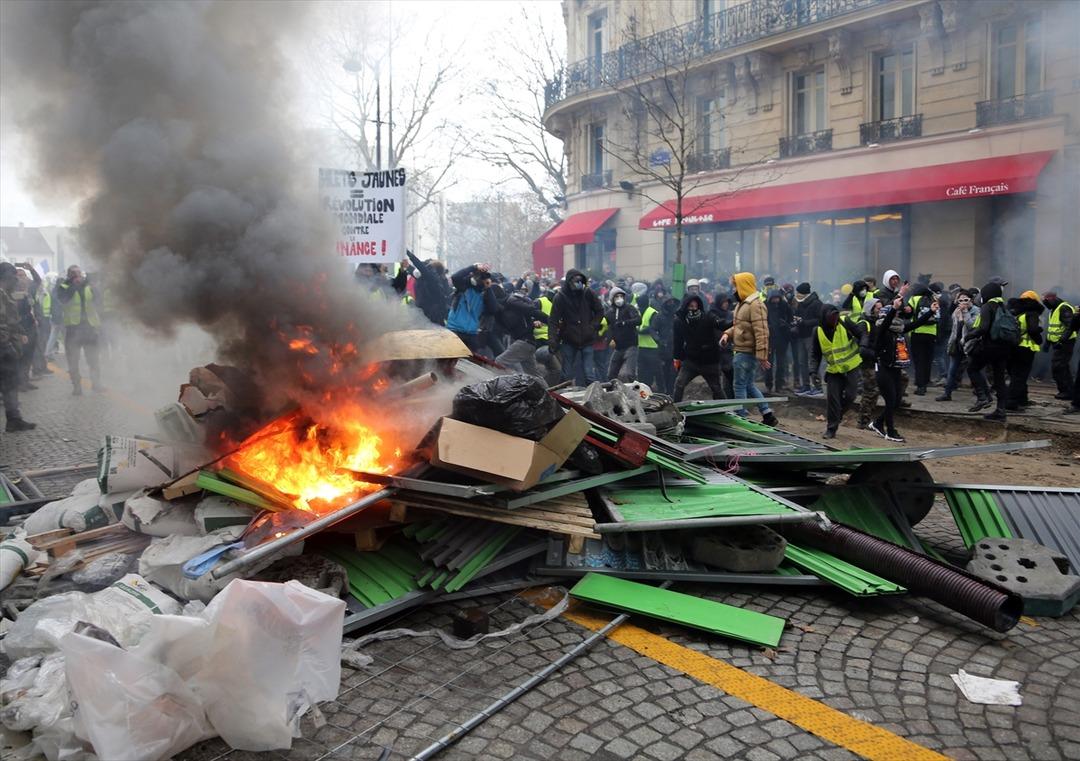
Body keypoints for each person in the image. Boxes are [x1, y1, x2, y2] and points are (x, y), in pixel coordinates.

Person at [721, 273, 778, 426]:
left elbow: (762, 331)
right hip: (743, 350)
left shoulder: (755, 304)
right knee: (748, 385)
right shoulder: (744, 303)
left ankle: (741, 416)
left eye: (736, 286)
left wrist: (762, 355)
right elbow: (740, 327)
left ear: (743, 285)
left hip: (746, 352)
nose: (734, 289)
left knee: (738, 385)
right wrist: (727, 334)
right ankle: (767, 413)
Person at [811, 304, 867, 438]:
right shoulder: (817, 331)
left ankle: (838, 415)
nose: (835, 320)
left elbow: (862, 333)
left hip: (851, 367)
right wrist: (813, 371)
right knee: (833, 399)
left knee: (850, 396)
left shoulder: (845, 322)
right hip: (833, 370)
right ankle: (831, 428)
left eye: (836, 316)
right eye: (831, 318)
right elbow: (815, 354)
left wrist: (864, 345)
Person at [966, 280, 1015, 421]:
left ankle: (983, 397)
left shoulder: (988, 306)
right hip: (1004, 348)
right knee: (999, 379)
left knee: (973, 368)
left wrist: (970, 336)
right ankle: (1001, 411)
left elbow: (983, 328)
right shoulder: (1004, 306)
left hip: (990, 347)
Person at [550, 269, 604, 385]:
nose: (578, 283)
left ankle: (594, 399)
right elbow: (553, 320)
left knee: (589, 374)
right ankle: (562, 398)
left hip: (587, 338)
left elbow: (600, 310)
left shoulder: (588, 293)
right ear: (569, 282)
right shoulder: (560, 297)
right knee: (567, 374)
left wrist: (592, 326)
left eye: (580, 281)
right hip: (569, 339)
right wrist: (552, 340)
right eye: (576, 281)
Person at [54, 265, 103, 395]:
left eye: (79, 274)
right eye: (74, 274)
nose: (78, 277)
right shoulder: (63, 287)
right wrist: (73, 285)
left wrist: (92, 286)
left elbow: (98, 300)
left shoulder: (88, 286)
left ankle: (96, 384)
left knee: (93, 358)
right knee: (73, 360)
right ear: (69, 276)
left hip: (89, 327)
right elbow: (64, 300)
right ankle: (77, 386)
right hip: (73, 329)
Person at [0, 262, 36, 431]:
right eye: (13, 276)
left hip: (6, 343)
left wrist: (19, 331)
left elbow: (11, 319)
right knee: (9, 382)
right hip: (3, 345)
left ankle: (14, 419)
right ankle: (13, 419)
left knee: (10, 383)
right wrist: (6, 343)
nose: (16, 279)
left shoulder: (6, 294)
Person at [865, 296, 906, 442]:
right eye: (895, 314)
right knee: (890, 400)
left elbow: (915, 324)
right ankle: (891, 431)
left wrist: (931, 313)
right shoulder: (880, 329)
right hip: (883, 369)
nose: (897, 316)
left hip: (895, 368)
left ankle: (877, 423)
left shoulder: (897, 330)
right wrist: (894, 308)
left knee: (897, 400)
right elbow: (886, 323)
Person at [672, 293, 727, 401]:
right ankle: (675, 410)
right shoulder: (679, 321)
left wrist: (736, 322)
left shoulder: (708, 316)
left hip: (710, 361)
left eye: (695, 307)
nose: (693, 309)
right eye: (690, 307)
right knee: (679, 384)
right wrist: (677, 358)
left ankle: (725, 411)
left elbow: (722, 324)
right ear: (685, 307)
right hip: (691, 361)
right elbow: (677, 342)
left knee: (716, 389)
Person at [936, 289, 982, 402]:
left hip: (970, 344)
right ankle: (947, 393)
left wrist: (965, 312)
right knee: (952, 371)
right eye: (960, 300)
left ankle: (982, 395)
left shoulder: (977, 311)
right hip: (957, 344)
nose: (963, 302)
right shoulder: (957, 310)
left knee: (975, 370)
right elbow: (954, 327)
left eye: (966, 299)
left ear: (971, 300)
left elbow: (972, 326)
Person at [495, 284, 547, 378]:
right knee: (532, 374)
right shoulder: (503, 308)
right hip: (525, 342)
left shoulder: (512, 302)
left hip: (525, 341)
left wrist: (550, 321)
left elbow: (531, 310)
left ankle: (510, 386)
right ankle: (545, 391)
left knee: (500, 362)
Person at [1004, 290, 1044, 410]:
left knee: (1016, 375)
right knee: (1020, 376)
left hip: (1012, 347)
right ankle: (1011, 402)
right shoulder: (1032, 313)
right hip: (1025, 349)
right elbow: (1032, 330)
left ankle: (1023, 399)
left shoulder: (1015, 312)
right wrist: (1039, 338)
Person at [446, 264, 496, 353]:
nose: (481, 279)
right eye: (479, 275)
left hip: (472, 333)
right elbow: (455, 277)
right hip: (455, 330)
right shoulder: (463, 287)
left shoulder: (483, 294)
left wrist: (489, 288)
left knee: (471, 363)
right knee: (451, 361)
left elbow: (493, 309)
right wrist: (474, 267)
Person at [906, 282, 939, 395]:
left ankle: (921, 386)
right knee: (928, 360)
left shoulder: (914, 299)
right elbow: (938, 316)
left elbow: (908, 314)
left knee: (919, 360)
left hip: (917, 332)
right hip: (932, 333)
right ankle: (926, 381)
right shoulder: (933, 298)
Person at [1041, 292, 1076, 399]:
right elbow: (1052, 328)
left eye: (1045, 301)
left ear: (1052, 299)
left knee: (1058, 367)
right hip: (1057, 343)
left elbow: (1070, 327)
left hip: (1065, 343)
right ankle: (1069, 391)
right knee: (1063, 367)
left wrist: (1061, 341)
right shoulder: (1054, 309)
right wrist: (1047, 343)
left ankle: (1065, 391)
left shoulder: (1063, 308)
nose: (1045, 304)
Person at [791, 282, 823, 395]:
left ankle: (818, 387)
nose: (797, 295)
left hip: (811, 336)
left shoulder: (816, 304)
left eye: (798, 293)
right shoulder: (800, 303)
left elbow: (820, 320)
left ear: (804, 293)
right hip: (801, 335)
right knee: (802, 362)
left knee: (812, 362)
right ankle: (806, 386)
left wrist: (804, 322)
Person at [405, 250, 452, 326]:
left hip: (431, 318)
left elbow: (423, 270)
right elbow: (417, 273)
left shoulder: (433, 281)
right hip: (427, 317)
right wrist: (408, 266)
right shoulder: (437, 281)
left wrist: (410, 255)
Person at [604, 287, 641, 382]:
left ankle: (634, 393)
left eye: (621, 296)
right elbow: (608, 327)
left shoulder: (629, 308)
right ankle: (612, 393)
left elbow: (638, 320)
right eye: (616, 297)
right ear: (612, 299)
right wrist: (610, 339)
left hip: (631, 345)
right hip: (618, 347)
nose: (619, 299)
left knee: (629, 374)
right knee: (611, 374)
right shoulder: (609, 313)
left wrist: (624, 323)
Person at [853, 300, 879, 429]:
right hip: (867, 363)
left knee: (874, 391)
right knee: (870, 391)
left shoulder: (877, 322)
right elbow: (862, 348)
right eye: (878, 309)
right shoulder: (864, 324)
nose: (880, 311)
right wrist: (875, 355)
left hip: (875, 361)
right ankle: (863, 421)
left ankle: (867, 419)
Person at [763, 288, 792, 393]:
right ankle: (768, 384)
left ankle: (779, 385)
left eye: (777, 298)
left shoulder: (784, 305)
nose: (776, 300)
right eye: (774, 298)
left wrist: (785, 325)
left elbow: (790, 318)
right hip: (769, 338)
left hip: (782, 339)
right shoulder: (764, 306)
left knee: (781, 363)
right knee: (768, 363)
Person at [651, 295, 680, 395]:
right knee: (664, 373)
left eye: (673, 302)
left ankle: (672, 393)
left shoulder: (678, 316)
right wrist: (659, 340)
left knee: (674, 373)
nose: (671, 305)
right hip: (664, 350)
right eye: (669, 303)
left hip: (677, 349)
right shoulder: (659, 316)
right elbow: (652, 330)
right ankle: (665, 392)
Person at [710, 291, 736, 398]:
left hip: (728, 350)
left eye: (727, 302)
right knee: (715, 380)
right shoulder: (712, 314)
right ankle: (717, 402)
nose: (725, 304)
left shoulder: (730, 314)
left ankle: (731, 400)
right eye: (723, 302)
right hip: (715, 350)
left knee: (730, 377)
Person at [636, 296, 662, 389]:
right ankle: (644, 391)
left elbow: (652, 328)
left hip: (653, 348)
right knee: (642, 372)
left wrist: (640, 331)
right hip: (642, 347)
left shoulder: (652, 313)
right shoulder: (638, 312)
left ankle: (661, 390)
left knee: (656, 371)